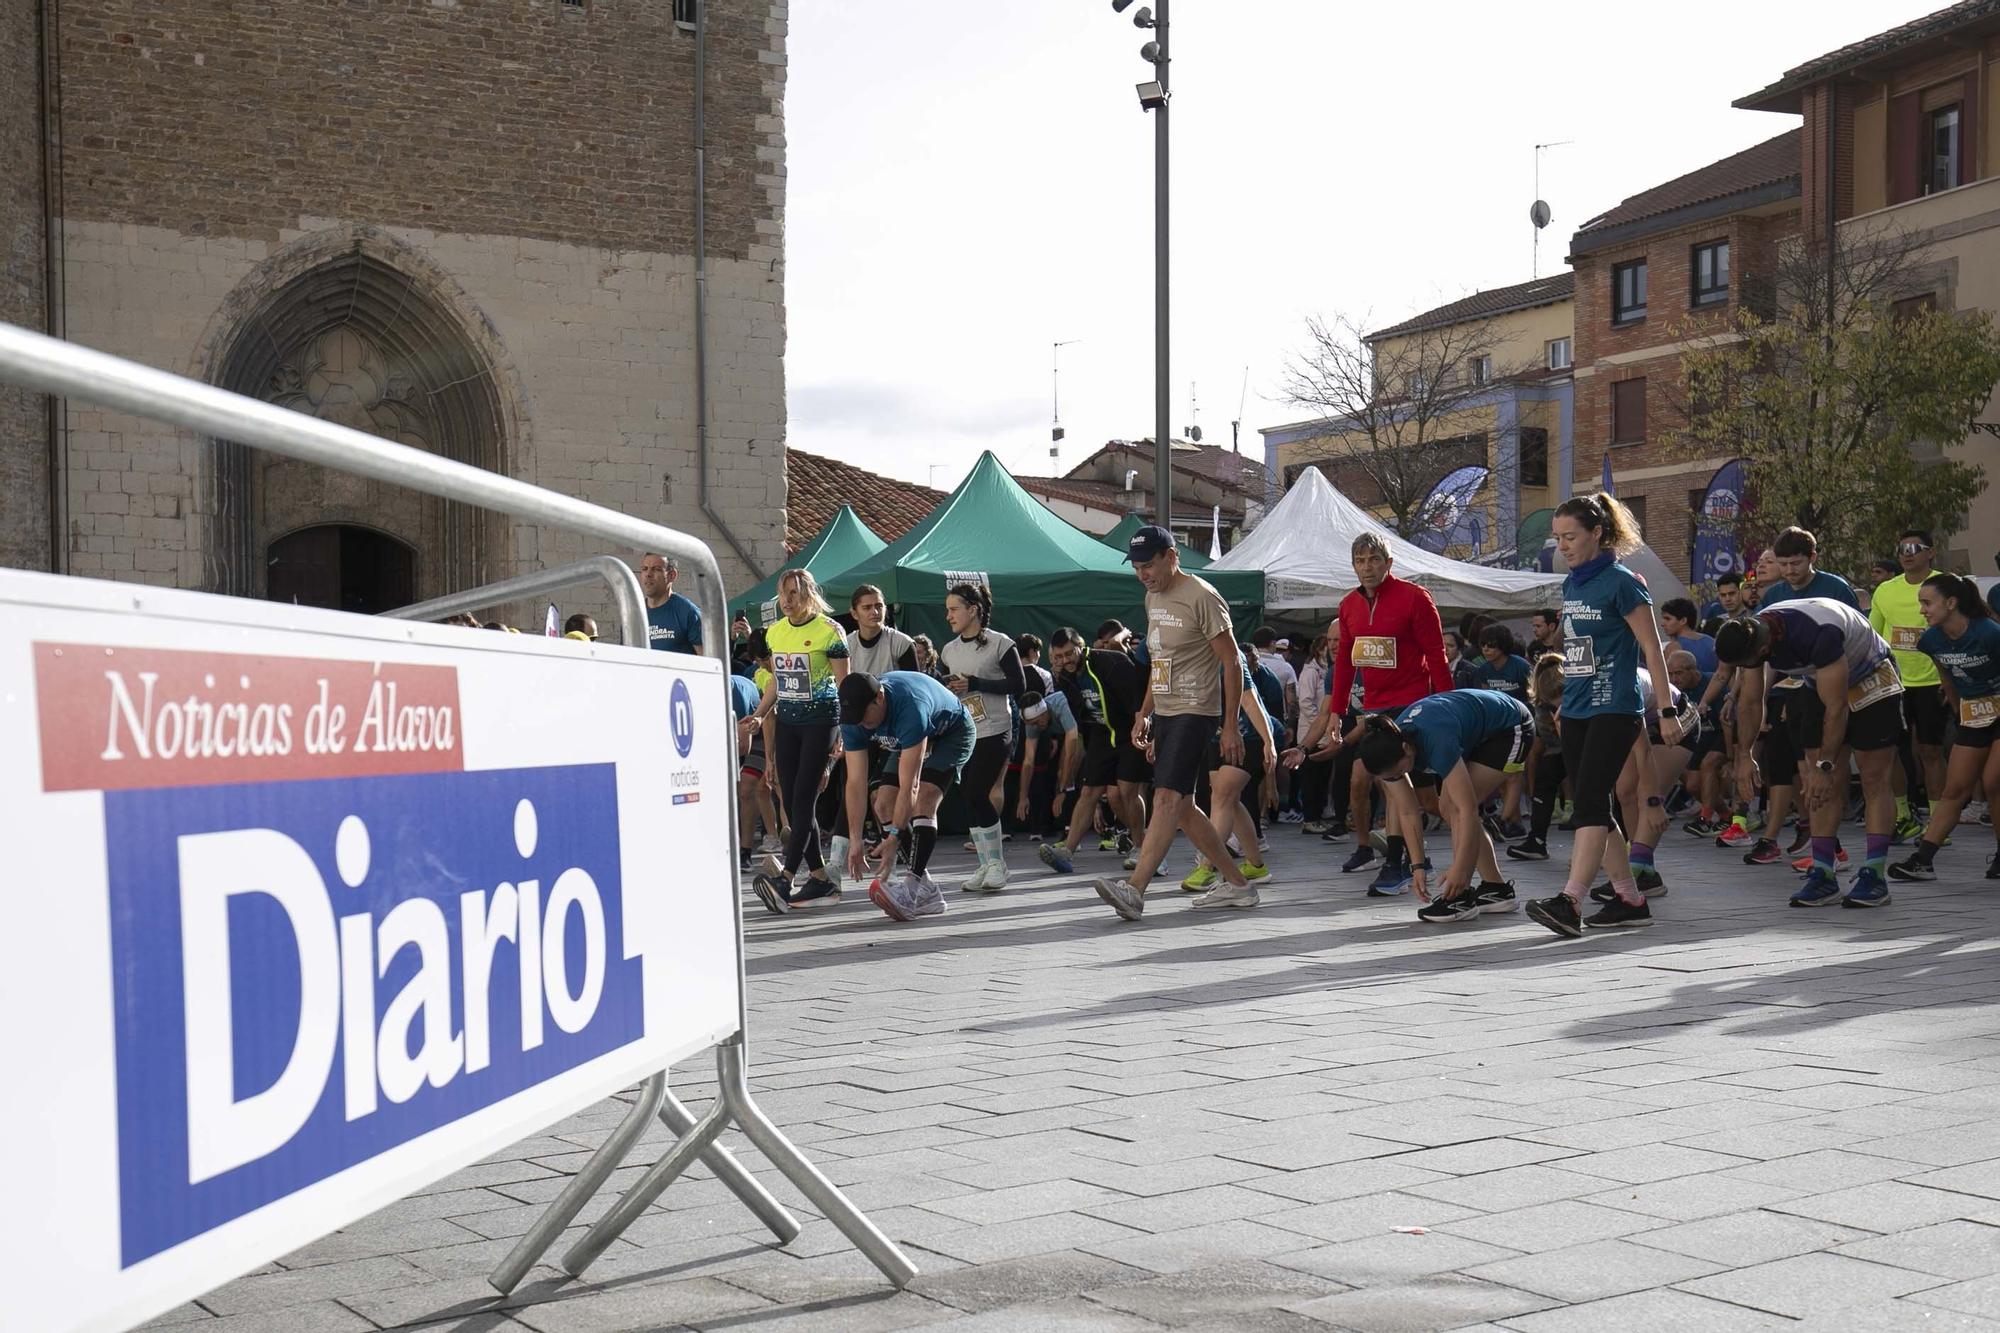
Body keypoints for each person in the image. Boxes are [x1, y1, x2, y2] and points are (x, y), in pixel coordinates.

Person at [1525, 491, 1681, 938]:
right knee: (1593, 803)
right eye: (1557, 539)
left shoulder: (1623, 582)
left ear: (1596, 533)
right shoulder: (1572, 584)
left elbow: (1652, 647)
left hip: (1615, 706)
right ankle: (1629, 898)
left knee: (1590, 803)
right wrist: (1560, 705)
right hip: (1576, 708)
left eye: (1570, 537)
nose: (1563, 547)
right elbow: (1577, 648)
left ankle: (1570, 900)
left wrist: (1667, 711)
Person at [1092, 526, 1256, 920]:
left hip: (1195, 710)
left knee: (1166, 797)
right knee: (1182, 807)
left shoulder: (1202, 596)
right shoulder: (1152, 598)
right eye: (1136, 567)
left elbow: (1232, 662)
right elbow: (1160, 661)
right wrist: (1144, 711)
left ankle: (1135, 890)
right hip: (1166, 711)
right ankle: (1238, 885)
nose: (1143, 574)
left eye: (1149, 564)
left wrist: (1231, 724)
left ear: (1172, 556)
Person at [1716, 595, 1903, 909]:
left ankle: (1874, 873)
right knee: (1817, 785)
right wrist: (1745, 755)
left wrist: (1827, 764)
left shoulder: (1819, 632)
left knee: (1873, 779)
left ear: (1762, 650)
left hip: (1870, 677)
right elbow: (1750, 701)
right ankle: (1823, 873)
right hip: (1820, 681)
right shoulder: (1752, 632)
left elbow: (1838, 707)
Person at [1290, 532, 1453, 892]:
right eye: (1360, 561)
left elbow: (1437, 656)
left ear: (1388, 563)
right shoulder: (1348, 606)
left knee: (1413, 794)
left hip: (1414, 706)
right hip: (1376, 708)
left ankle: (1410, 857)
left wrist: (1449, 704)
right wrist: (1337, 712)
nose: (1367, 567)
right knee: (1391, 786)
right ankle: (1401, 861)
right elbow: (1346, 662)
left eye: (1374, 559)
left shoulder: (1414, 598)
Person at [1358, 689, 1532, 924]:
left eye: (1400, 771)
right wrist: (1417, 866)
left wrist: (1460, 870)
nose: (1401, 776)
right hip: (1479, 730)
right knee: (1449, 807)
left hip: (1512, 727)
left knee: (1454, 807)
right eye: (1392, 776)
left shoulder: (1436, 739)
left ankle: (1460, 897)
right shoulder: (1393, 746)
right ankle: (1496, 889)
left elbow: (1467, 809)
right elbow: (1408, 811)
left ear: (1406, 750)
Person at [745, 570, 849, 915]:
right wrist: (760, 714)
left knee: (804, 797)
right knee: (790, 800)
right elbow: (777, 681)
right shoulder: (776, 633)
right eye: (782, 595)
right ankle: (820, 878)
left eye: (793, 594)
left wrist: (845, 735)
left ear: (808, 594)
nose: (787, 602)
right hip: (788, 722)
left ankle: (786, 877)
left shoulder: (831, 632)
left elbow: (844, 685)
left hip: (821, 722)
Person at [837, 671, 976, 921]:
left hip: (951, 732)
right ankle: (928, 891)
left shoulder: (911, 706)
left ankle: (911, 890)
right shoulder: (853, 720)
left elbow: (910, 786)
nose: (860, 724)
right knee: (882, 804)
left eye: (863, 717)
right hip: (907, 737)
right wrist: (855, 839)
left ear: (879, 698)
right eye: (854, 719)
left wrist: (895, 835)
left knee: (925, 797)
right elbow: (856, 783)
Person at [1892, 573, 2000, 883]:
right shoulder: (1930, 639)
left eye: (1928, 603)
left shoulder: (1990, 634)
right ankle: (1922, 860)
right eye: (1920, 604)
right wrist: (1960, 712)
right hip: (1973, 715)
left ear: (1951, 603)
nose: (1922, 610)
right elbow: (1946, 677)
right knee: (1955, 789)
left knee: (1993, 782)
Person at [1038, 626, 1152, 875]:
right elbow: (1080, 712)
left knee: (1127, 790)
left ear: (1081, 646)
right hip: (1101, 734)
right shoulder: (1064, 675)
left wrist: (1143, 728)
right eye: (1058, 657)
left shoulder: (1111, 662)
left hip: (1128, 730)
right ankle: (1067, 851)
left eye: (1069, 654)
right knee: (1088, 791)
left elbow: (1139, 697)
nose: (1065, 660)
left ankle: (1144, 850)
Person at [938, 583, 1027, 892]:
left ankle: (997, 865)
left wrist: (974, 683)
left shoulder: (1001, 644)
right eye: (947, 609)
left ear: (973, 610)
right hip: (965, 732)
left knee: (977, 792)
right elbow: (942, 686)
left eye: (953, 609)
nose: (948, 615)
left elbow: (1018, 684)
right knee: (968, 797)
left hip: (996, 730)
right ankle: (984, 865)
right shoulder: (949, 650)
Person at [1179, 647, 1282, 906]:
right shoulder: (1188, 655)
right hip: (1217, 739)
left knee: (1222, 798)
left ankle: (1208, 867)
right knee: (1230, 801)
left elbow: (1250, 699)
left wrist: (1268, 741)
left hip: (1250, 736)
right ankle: (1255, 865)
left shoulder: (1230, 657)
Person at [1871, 530, 1947, 842]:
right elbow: (1872, 635)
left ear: (1931, 552)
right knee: (1892, 752)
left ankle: (1939, 821)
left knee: (1930, 750)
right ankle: (1903, 815)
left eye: (1916, 548)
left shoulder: (1946, 584)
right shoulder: (1885, 590)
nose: (1908, 553)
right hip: (1894, 682)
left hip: (1933, 681)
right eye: (1902, 548)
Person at [1510, 652, 1567, 861]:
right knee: (1547, 772)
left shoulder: (1580, 691)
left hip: (1591, 742)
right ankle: (1537, 840)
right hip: (1563, 743)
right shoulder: (1543, 708)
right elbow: (1548, 742)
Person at [1017, 688, 1083, 836]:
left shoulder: (1060, 705)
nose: (1035, 727)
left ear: (1043, 712)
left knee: (1065, 774)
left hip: (1083, 730)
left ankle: (1071, 831)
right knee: (1060, 776)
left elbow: (1071, 752)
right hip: (1065, 734)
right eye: (1031, 724)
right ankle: (1068, 829)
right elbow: (1028, 761)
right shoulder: (1034, 722)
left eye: (1036, 722)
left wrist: (1062, 790)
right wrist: (1023, 796)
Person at [1759, 527, 1859, 609]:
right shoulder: (1773, 596)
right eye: (1783, 564)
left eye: (1796, 563)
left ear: (1812, 557)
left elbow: (1858, 630)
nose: (1790, 570)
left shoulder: (1837, 589)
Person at [730, 671, 767, 871]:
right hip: (734, 735)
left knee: (744, 789)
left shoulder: (735, 694)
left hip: (760, 734)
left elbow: (744, 747)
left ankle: (745, 851)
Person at [638, 553, 703, 653]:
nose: (648, 574)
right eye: (645, 569)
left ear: (672, 575)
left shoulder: (688, 613)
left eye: (656, 569)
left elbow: (709, 661)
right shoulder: (634, 615)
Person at [1660, 597, 1718, 674]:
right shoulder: (1711, 641)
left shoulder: (1673, 648)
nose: (1662, 624)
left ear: (1683, 621)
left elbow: (1671, 679)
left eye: (1668, 619)